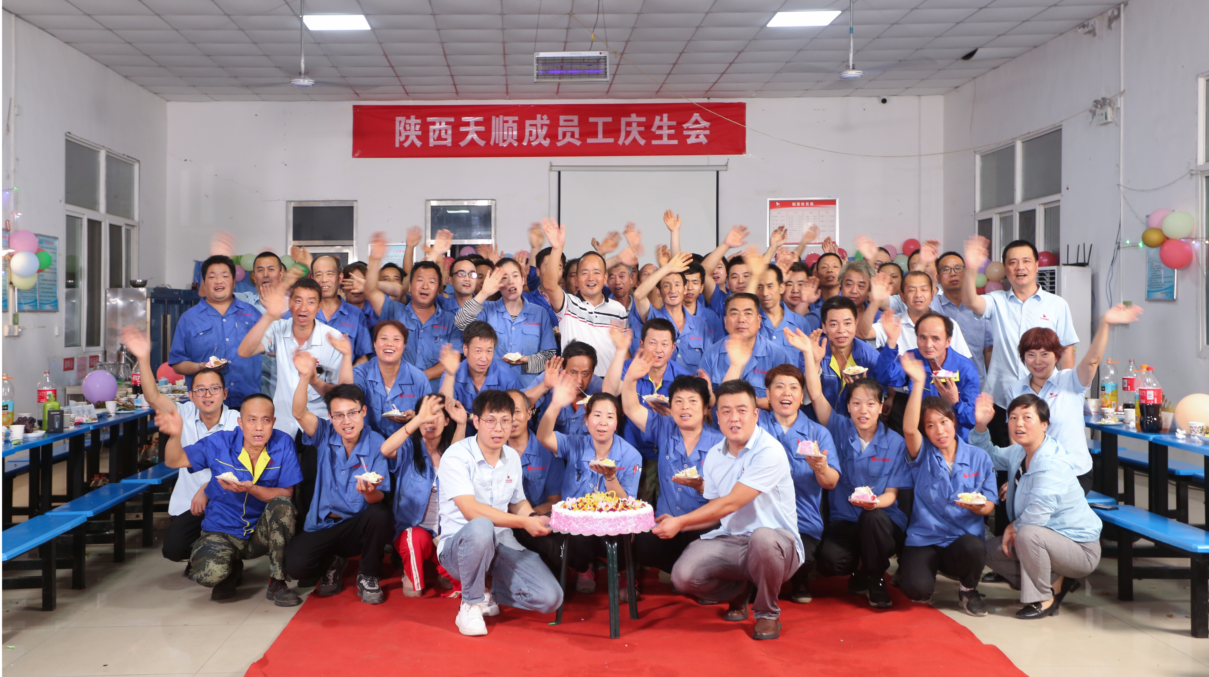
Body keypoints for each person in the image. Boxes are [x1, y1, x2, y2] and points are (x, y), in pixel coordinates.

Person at [656, 380, 803, 641]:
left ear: (755, 414)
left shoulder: (769, 451)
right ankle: (739, 590)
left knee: (762, 538)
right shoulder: (715, 455)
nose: (734, 418)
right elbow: (717, 509)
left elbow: (731, 502)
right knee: (683, 576)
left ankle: (767, 613)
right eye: (726, 411)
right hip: (733, 541)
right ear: (717, 416)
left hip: (778, 544)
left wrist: (681, 522)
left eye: (741, 410)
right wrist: (677, 523)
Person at [797, 329, 910, 609]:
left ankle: (876, 578)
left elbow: (892, 494)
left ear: (881, 407)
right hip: (845, 518)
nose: (863, 410)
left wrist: (874, 503)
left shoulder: (895, 442)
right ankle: (859, 566)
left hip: (882, 519)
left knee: (873, 520)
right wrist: (809, 355)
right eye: (856, 403)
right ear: (847, 406)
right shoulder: (837, 427)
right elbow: (815, 394)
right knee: (829, 560)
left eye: (871, 404)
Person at [437, 390, 565, 636]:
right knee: (482, 525)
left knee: (550, 598)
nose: (499, 428)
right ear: (476, 421)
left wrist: (534, 519)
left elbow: (517, 503)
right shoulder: (456, 455)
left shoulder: (511, 458)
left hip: (501, 543)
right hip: (459, 548)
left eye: (505, 420)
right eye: (491, 420)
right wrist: (522, 523)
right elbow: (470, 510)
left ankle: (488, 592)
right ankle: (470, 604)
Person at [159, 393, 303, 606]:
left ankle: (278, 581)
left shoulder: (283, 443)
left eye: (265, 420)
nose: (259, 427)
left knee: (284, 508)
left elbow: (287, 493)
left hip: (259, 534)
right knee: (208, 574)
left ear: (273, 422)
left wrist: (252, 489)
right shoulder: (219, 443)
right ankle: (230, 568)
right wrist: (174, 435)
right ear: (240, 422)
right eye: (251, 420)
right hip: (222, 530)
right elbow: (174, 461)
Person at [971, 393, 1103, 619]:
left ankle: (1044, 599)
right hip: (1048, 539)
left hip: (1079, 547)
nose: (1019, 424)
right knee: (987, 551)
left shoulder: (1052, 461)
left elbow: (1038, 514)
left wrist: (1013, 527)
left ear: (1044, 424)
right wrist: (981, 426)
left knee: (1027, 533)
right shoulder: (1020, 451)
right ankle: (1055, 580)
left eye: (1027, 417)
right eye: (1013, 417)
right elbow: (987, 456)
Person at [122, 326, 241, 566]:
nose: (207, 394)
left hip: (227, 502)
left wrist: (208, 489)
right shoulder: (183, 413)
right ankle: (201, 558)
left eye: (214, 389)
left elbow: (240, 468)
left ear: (224, 393)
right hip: (190, 505)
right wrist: (143, 358)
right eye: (200, 390)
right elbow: (153, 397)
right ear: (191, 395)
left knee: (228, 542)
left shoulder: (236, 422)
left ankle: (229, 562)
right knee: (174, 549)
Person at [896, 353, 998, 616]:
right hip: (925, 538)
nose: (939, 430)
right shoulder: (921, 453)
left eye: (943, 422)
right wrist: (918, 382)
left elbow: (989, 504)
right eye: (930, 426)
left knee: (973, 547)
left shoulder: (979, 457)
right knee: (916, 591)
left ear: (953, 421)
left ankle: (968, 590)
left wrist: (978, 507)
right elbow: (909, 430)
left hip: (961, 538)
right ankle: (923, 570)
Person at [282, 377, 394, 605]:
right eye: (338, 415)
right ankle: (332, 562)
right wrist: (305, 377)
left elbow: (380, 497)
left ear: (363, 411)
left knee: (379, 514)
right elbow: (298, 412)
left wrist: (369, 492)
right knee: (295, 567)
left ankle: (368, 574)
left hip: (356, 528)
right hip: (323, 525)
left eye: (352, 413)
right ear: (330, 417)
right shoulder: (324, 433)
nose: (346, 421)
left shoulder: (376, 442)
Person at [1013, 304, 1143, 493]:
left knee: (1041, 505)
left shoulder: (1070, 380)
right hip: (1031, 472)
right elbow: (1015, 436)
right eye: (1031, 355)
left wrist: (1105, 324)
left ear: (1056, 356)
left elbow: (1091, 362)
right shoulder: (1017, 388)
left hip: (1071, 473)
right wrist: (1014, 477)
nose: (1038, 361)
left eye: (1045, 354)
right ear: (1023, 358)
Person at [963, 237, 1079, 446]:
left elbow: (1067, 351)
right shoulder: (996, 300)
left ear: (1036, 265)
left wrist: (1065, 392)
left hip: (1043, 399)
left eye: (1026, 261)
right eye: (1013, 262)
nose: (1020, 267)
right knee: (1001, 459)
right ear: (1005, 268)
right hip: (1000, 398)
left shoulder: (1057, 304)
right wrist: (971, 267)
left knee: (1040, 457)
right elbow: (971, 300)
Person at [536, 379, 642, 593]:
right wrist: (555, 404)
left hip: (612, 525)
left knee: (631, 532)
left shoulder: (631, 455)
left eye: (610, 417)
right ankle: (584, 567)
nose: (603, 422)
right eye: (597, 415)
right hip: (578, 526)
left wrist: (611, 478)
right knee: (563, 535)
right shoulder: (575, 443)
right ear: (586, 420)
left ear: (617, 423)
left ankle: (623, 571)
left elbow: (626, 504)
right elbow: (543, 437)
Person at [621, 368, 722, 582]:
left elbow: (725, 502)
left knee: (713, 541)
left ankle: (693, 573)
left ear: (706, 407)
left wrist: (701, 487)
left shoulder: (720, 444)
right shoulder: (664, 427)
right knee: (639, 542)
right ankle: (682, 570)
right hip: (667, 524)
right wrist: (630, 377)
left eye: (693, 401)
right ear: (671, 406)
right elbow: (630, 408)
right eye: (678, 401)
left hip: (701, 526)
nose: (685, 407)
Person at [754, 360, 839, 604]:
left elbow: (831, 482)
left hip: (802, 520)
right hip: (759, 516)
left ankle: (800, 578)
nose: (786, 393)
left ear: (802, 396)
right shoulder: (754, 427)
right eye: (779, 387)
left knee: (802, 558)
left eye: (793, 388)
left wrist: (821, 468)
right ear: (768, 394)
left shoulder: (818, 433)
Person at [383, 394, 467, 597]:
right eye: (425, 415)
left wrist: (462, 424)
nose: (430, 421)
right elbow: (386, 449)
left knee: (462, 586)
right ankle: (412, 572)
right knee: (414, 587)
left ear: (446, 421)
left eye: (436, 415)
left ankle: (444, 567)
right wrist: (418, 418)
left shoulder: (453, 452)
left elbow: (457, 455)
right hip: (414, 531)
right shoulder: (408, 448)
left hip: (446, 533)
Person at [603, 320, 692, 502]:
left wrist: (674, 417)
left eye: (664, 344)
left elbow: (693, 422)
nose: (658, 349)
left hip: (669, 457)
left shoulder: (683, 378)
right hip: (632, 453)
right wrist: (620, 350)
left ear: (673, 347)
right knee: (632, 509)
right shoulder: (630, 367)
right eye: (652, 343)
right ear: (642, 344)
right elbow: (608, 393)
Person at [365, 232, 464, 390]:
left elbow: (453, 359)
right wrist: (375, 260)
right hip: (397, 392)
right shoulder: (394, 311)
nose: (425, 286)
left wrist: (418, 377)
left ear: (438, 288)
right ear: (410, 286)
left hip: (435, 393)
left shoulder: (452, 321)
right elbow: (371, 291)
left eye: (431, 282)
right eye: (420, 280)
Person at [538, 218, 629, 378]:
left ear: (605, 277)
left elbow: (623, 350)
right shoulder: (568, 304)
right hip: (574, 383)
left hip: (608, 384)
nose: (591, 278)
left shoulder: (618, 310)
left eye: (596, 272)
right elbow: (550, 285)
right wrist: (557, 249)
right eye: (585, 273)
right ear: (577, 279)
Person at [170, 255, 263, 408]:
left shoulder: (252, 314)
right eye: (212, 277)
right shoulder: (189, 319)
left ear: (234, 282)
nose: (219, 281)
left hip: (249, 404)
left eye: (225, 276)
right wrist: (201, 367)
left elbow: (271, 348)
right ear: (204, 283)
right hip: (207, 406)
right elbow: (178, 363)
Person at [874, 310, 980, 439]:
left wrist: (955, 402)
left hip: (954, 439)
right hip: (921, 436)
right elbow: (884, 376)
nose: (928, 345)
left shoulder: (966, 369)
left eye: (935, 338)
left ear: (948, 341)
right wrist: (891, 340)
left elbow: (972, 419)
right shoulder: (913, 358)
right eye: (923, 338)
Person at [453, 257, 557, 388]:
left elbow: (549, 356)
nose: (511, 282)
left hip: (528, 390)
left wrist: (527, 360)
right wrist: (484, 293)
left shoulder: (540, 313)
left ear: (523, 279)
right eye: (504, 278)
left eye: (515, 276)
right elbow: (460, 322)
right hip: (493, 390)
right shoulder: (487, 309)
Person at [438, 321, 552, 434]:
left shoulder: (507, 376)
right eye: (478, 351)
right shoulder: (452, 372)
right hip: (462, 437)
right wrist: (450, 374)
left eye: (489, 351)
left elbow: (519, 414)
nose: (484, 358)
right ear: (465, 349)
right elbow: (445, 411)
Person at [505, 388, 566, 573]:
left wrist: (530, 517)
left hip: (538, 519)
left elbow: (555, 500)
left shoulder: (547, 450)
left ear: (529, 413)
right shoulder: (490, 450)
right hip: (502, 522)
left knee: (553, 541)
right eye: (506, 413)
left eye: (516, 411)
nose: (512, 419)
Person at [699, 293, 792, 408]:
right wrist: (709, 397)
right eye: (734, 313)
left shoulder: (778, 356)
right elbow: (706, 404)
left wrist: (758, 403)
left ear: (759, 321)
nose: (741, 319)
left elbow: (789, 401)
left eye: (748, 313)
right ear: (725, 321)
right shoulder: (711, 355)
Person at [629, 252, 711, 371]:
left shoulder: (700, 324)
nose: (673, 290)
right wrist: (667, 267)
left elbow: (708, 362)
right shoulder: (653, 317)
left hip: (691, 383)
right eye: (667, 285)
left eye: (677, 284)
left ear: (684, 289)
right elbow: (638, 295)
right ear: (659, 292)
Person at [352, 320, 432, 439]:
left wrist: (416, 416)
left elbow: (430, 417)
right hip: (368, 444)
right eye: (384, 338)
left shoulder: (418, 378)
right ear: (374, 344)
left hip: (407, 444)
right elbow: (347, 399)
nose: (389, 344)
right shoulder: (360, 373)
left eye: (396, 339)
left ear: (404, 345)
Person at [931, 251, 993, 380]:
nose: (953, 273)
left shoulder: (981, 308)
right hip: (940, 383)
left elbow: (988, 350)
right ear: (938, 278)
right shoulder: (932, 307)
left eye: (958, 268)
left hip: (974, 383)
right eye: (946, 269)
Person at [234, 251, 288, 396]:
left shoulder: (294, 306)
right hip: (247, 386)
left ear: (281, 274)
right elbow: (209, 296)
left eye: (271, 269)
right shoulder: (243, 302)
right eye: (260, 270)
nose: (265, 274)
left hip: (281, 387)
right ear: (254, 276)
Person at [814, 296, 880, 414]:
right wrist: (813, 362)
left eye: (847, 323)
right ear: (824, 327)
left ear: (855, 323)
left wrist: (861, 392)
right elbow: (805, 397)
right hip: (815, 421)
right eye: (834, 324)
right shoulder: (812, 351)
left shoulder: (871, 357)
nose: (841, 330)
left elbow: (880, 401)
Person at [755, 260, 819, 369]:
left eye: (770, 286)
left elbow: (807, 362)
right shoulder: (751, 321)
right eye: (760, 287)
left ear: (781, 288)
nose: (765, 293)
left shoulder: (800, 323)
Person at [309, 255, 373, 363]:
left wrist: (348, 373)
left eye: (329, 274)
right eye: (318, 275)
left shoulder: (356, 314)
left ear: (340, 278)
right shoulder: (302, 312)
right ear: (312, 279)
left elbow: (363, 356)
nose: (324, 280)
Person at [532, 341, 602, 435]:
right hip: (545, 443)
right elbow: (519, 405)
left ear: (592, 372)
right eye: (573, 372)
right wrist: (544, 386)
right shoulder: (550, 377)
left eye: (585, 373)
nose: (579, 381)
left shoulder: (601, 388)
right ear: (562, 368)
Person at [699, 225, 751, 318]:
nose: (740, 281)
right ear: (728, 282)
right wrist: (726, 245)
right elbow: (703, 271)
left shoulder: (762, 300)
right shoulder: (721, 300)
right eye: (735, 277)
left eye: (746, 276)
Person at [682, 262, 726, 344]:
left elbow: (719, 347)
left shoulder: (711, 317)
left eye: (695, 283)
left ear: (702, 288)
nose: (690, 288)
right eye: (686, 283)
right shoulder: (671, 315)